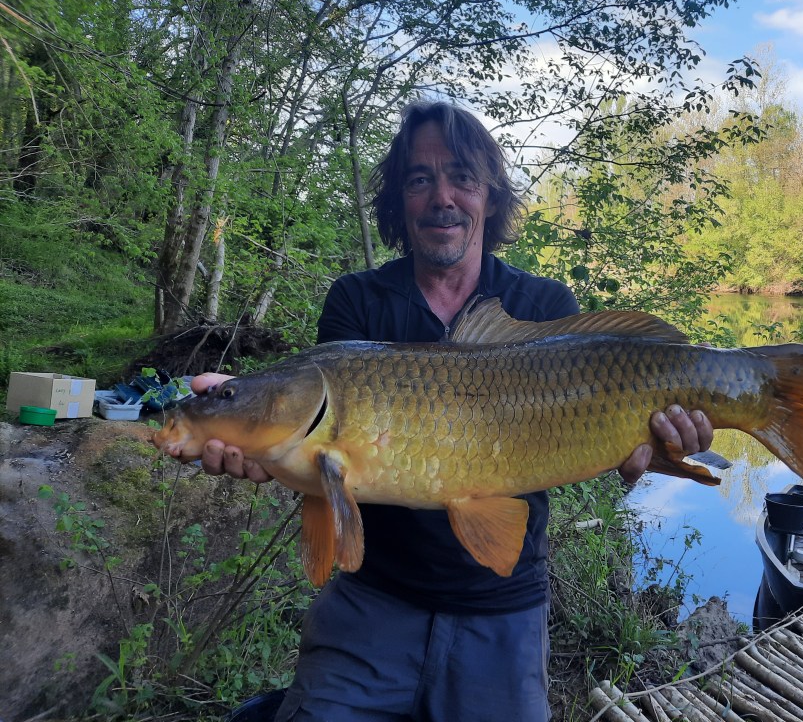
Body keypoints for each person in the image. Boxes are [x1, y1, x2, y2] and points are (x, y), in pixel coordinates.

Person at [190, 101, 713, 721]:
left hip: (503, 608)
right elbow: (320, 470)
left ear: (490, 197)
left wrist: (654, 450)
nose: (443, 197)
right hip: (373, 598)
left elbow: (607, 449)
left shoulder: (542, 303)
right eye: (420, 179)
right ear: (400, 201)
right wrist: (255, 439)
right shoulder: (357, 301)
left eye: (462, 177)